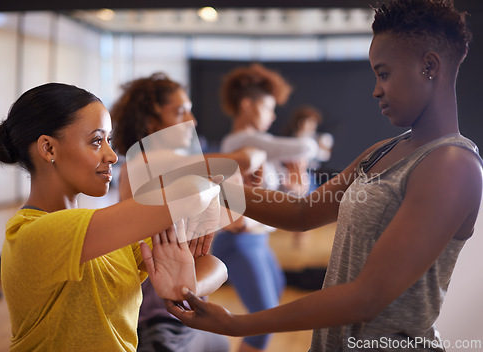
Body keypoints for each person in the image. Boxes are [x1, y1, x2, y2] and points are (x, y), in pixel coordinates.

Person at [166, 1, 483, 351]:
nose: (376, 90)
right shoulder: (381, 151)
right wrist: (216, 189)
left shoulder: (453, 166)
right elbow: (303, 213)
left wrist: (239, 323)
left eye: (384, 74)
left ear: (429, 66)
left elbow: (368, 297)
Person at [0, 82, 227, 352]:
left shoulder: (108, 235)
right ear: (48, 149)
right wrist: (207, 191)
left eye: (109, 141)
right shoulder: (34, 234)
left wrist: (185, 288)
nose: (112, 156)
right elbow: (192, 193)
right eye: (96, 141)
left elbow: (215, 265)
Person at [110, 73, 266, 352]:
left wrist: (243, 192)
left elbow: (237, 222)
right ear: (151, 120)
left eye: (190, 110)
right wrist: (252, 159)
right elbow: (245, 158)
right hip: (155, 317)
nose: (191, 121)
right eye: (180, 111)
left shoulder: (182, 168)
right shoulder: (145, 160)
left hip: (187, 308)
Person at [212, 63, 319, 352]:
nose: (273, 116)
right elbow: (307, 149)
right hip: (242, 239)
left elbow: (264, 198)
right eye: (269, 108)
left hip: (256, 238)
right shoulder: (242, 141)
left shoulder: (261, 146)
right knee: (264, 323)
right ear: (247, 105)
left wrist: (291, 191)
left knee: (274, 299)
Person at [282, 105, 335, 248]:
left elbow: (324, 155)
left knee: (310, 210)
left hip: (308, 176)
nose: (312, 126)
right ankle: (298, 239)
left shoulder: (315, 140)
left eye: (314, 123)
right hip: (296, 176)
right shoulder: (292, 141)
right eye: (309, 122)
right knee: (300, 209)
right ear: (300, 123)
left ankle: (302, 239)